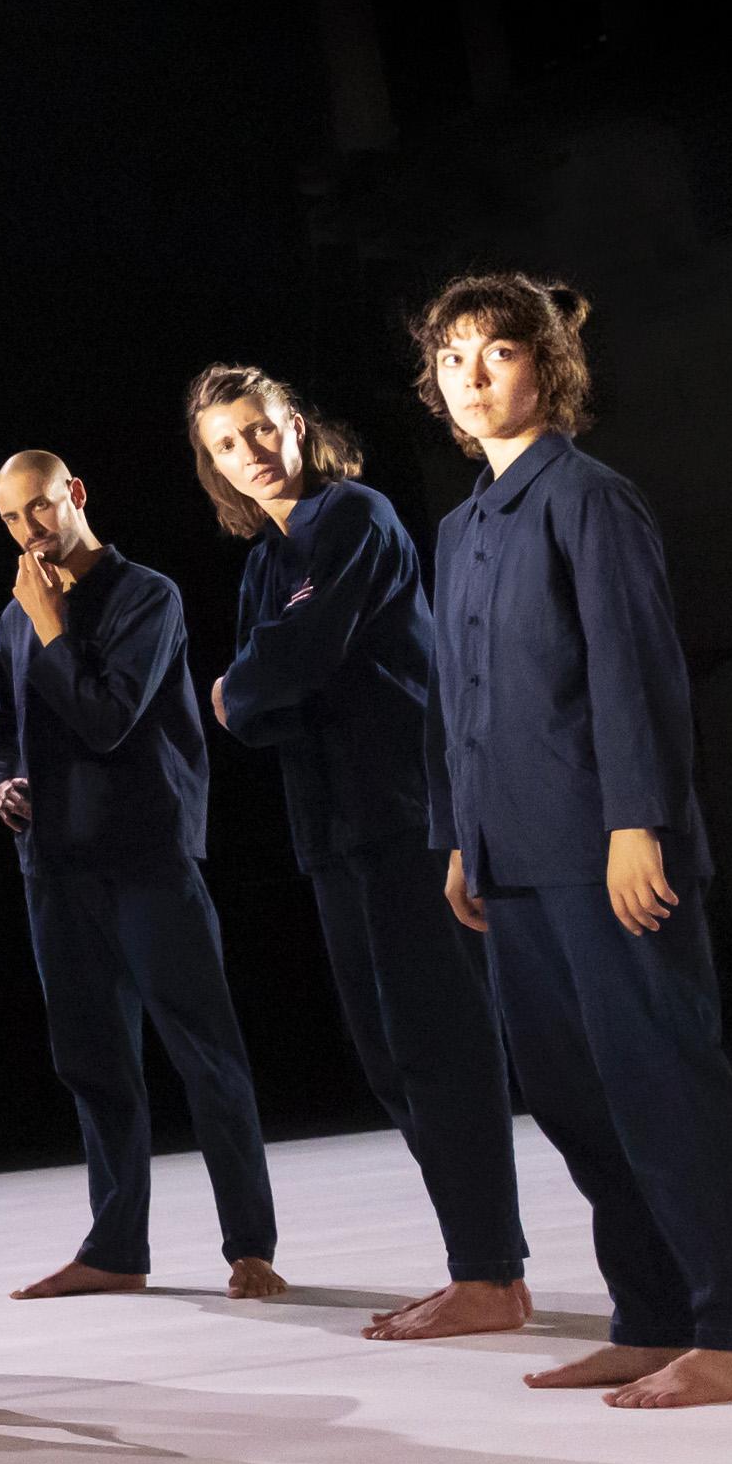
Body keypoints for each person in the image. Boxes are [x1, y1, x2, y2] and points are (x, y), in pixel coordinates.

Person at [415, 274, 732, 1408]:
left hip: (605, 847)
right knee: (574, 1093)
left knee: (663, 1082)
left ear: (546, 366)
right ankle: (649, 1318)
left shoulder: (586, 499)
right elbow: (457, 698)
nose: (471, 375)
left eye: (493, 352)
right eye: (450, 358)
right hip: (511, 855)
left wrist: (639, 822)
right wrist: (457, 838)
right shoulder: (458, 529)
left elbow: (635, 676)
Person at [189, 363, 529, 1338]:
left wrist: (242, 686)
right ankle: (479, 1262)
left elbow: (289, 664)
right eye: (223, 445)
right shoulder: (264, 562)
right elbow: (264, 700)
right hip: (330, 832)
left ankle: (487, 1273)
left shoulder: (353, 519)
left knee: (437, 1044)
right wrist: (252, 689)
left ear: (296, 425)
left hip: (404, 816)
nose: (247, 453)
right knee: (386, 1057)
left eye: (259, 430)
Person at [0, 452, 284, 1302]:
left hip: (147, 855)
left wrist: (48, 628)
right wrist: (2, 781)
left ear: (74, 493)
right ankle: (117, 1246)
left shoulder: (147, 594)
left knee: (203, 1049)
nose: (28, 529)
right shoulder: (18, 616)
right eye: (10, 519)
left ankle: (249, 1245)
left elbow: (109, 719)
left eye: (38, 508)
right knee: (93, 1059)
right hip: (55, 865)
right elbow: (0, 724)